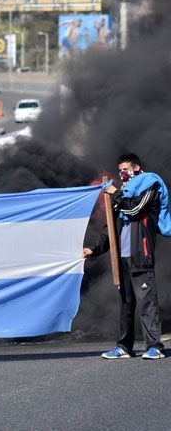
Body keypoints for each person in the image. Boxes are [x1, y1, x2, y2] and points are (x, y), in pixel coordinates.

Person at [83, 153, 171, 360]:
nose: (122, 174)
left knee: (147, 303)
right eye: (120, 170)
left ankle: (154, 347)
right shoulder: (122, 194)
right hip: (121, 260)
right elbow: (110, 228)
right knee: (126, 304)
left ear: (137, 168)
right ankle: (124, 346)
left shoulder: (150, 186)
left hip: (141, 256)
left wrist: (115, 195)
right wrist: (94, 249)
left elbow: (136, 209)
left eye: (126, 169)